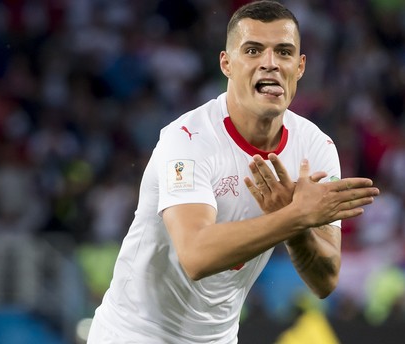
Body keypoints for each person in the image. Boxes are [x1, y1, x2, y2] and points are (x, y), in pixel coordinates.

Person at [87, 1, 380, 343]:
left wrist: (298, 230)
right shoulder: (186, 141)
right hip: (134, 334)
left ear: (299, 67)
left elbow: (325, 281)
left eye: (283, 52)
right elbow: (195, 255)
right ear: (226, 63)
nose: (269, 63)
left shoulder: (316, 149)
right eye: (253, 50)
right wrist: (294, 216)